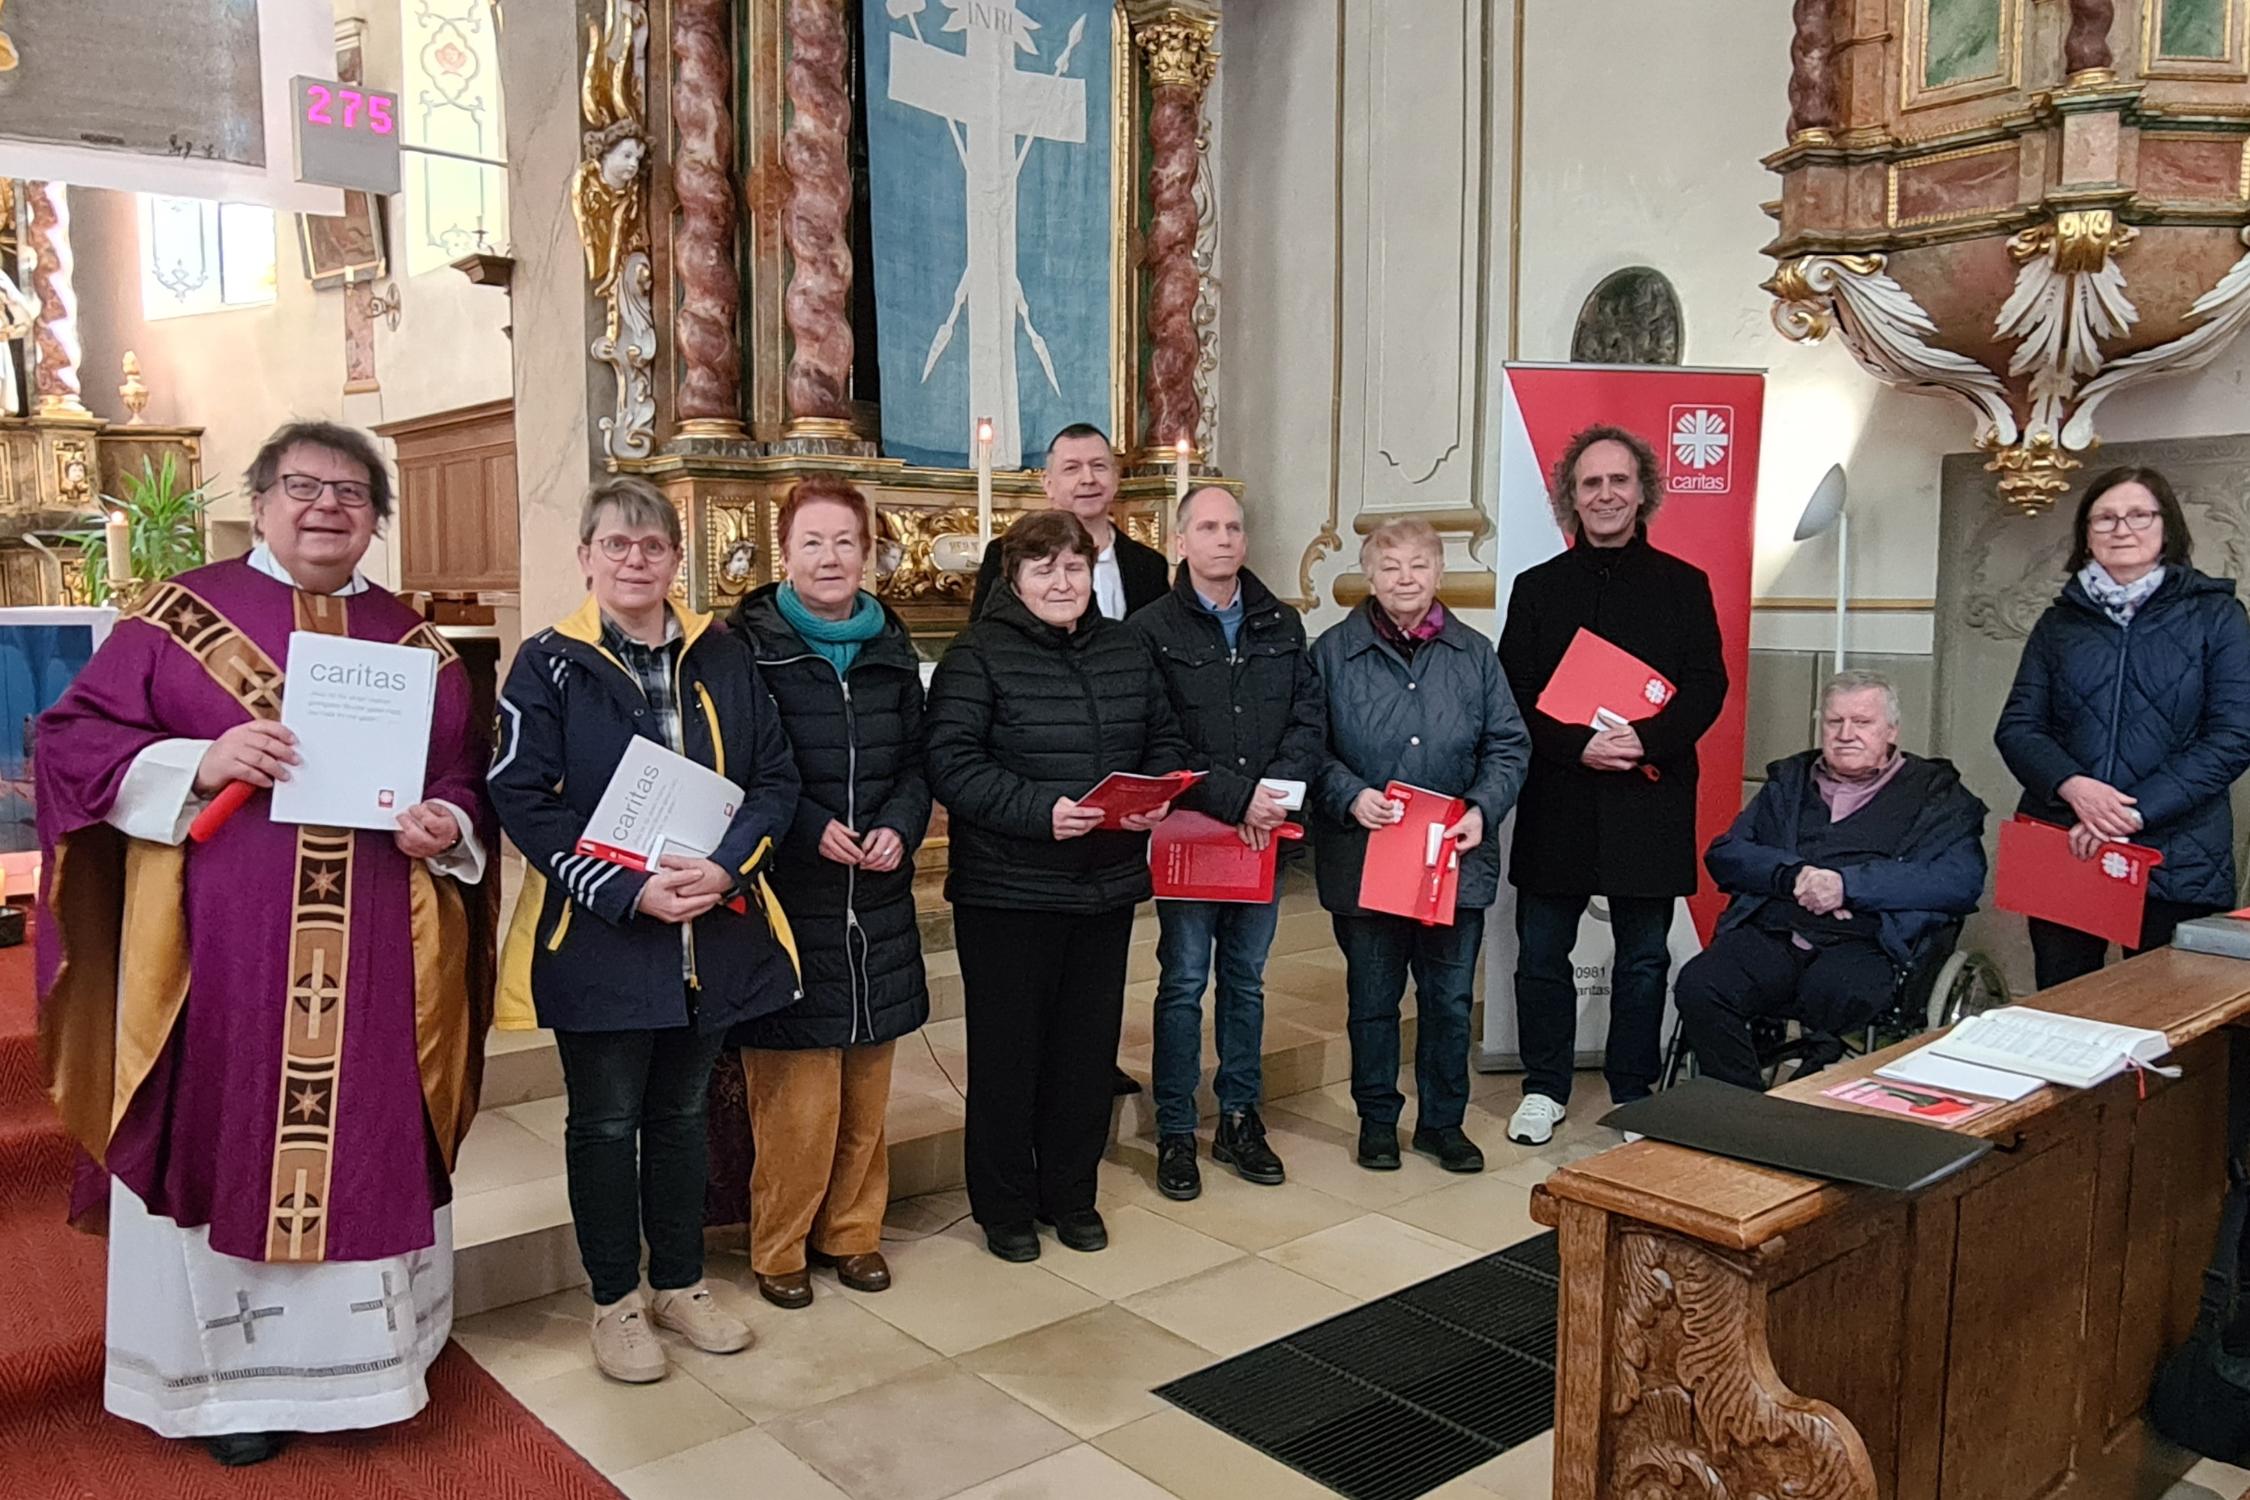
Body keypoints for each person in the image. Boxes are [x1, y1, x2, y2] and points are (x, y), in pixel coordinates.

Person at [34, 421, 494, 1464]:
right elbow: (73, 743)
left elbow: (463, 778)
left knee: (367, 1140)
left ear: (377, 517)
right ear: (262, 499)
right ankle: (230, 1398)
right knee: (223, 1137)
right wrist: (201, 757)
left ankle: (367, 1374)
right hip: (222, 954)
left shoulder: (413, 643)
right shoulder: (175, 617)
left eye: (351, 491)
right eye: (303, 486)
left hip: (376, 953)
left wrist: (449, 825)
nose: (327, 506)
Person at [489, 476, 800, 1384]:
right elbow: (519, 798)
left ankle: (679, 1283)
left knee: (680, 1116)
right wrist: (625, 893)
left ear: (675, 559)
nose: (635, 561)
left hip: (712, 928)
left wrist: (727, 867)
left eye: (652, 546)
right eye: (615, 546)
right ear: (586, 559)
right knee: (605, 1121)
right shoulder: (547, 663)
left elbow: (774, 777)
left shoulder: (723, 652)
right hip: (601, 935)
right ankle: (613, 1301)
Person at [926, 510, 1191, 1262]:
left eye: (1073, 566)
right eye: (1042, 568)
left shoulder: (1124, 647)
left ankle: (1072, 1194)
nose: (1061, 580)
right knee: (1010, 1057)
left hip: (1103, 885)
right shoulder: (977, 653)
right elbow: (952, 761)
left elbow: (1163, 735)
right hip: (1008, 892)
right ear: (1013, 578)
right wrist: (1041, 812)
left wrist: (1158, 795)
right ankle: (1006, 1207)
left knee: (1084, 1054)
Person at [726, 478, 932, 1309]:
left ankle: (853, 1234)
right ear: (784, 553)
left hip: (875, 894)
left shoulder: (890, 644)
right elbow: (736, 766)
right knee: (796, 1096)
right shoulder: (747, 645)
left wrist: (901, 825)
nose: (830, 557)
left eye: (845, 541)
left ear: (869, 552)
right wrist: (808, 825)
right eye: (812, 541)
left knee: (867, 1087)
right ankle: (778, 1246)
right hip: (789, 890)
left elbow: (919, 762)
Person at [1499, 425, 1726, 1147]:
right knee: (1540, 954)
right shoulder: (1537, 590)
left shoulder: (1685, 586)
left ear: (1642, 492)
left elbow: (1707, 686)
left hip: (1648, 795)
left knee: (1645, 958)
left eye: (1618, 481)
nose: (1605, 495)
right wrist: (1579, 747)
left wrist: (1645, 739)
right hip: (1560, 794)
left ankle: (1633, 1090)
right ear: (1571, 496)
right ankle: (1544, 1086)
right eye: (1590, 483)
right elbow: (1515, 692)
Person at [1311, 518, 1529, 1174]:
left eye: (1418, 566)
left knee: (1449, 999)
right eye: (1390, 567)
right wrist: (1348, 792)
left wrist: (1481, 809)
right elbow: (1305, 747)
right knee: (1373, 999)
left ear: (1438, 573)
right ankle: (1378, 1121)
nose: (1405, 579)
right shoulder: (1329, 653)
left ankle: (1443, 1123)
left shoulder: (1475, 654)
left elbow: (1509, 744)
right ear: (1369, 576)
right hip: (1366, 857)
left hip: (1453, 860)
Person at [1129, 486, 1326, 1201]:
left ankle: (1241, 1116)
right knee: (1183, 984)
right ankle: (1177, 1129)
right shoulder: (1150, 628)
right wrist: (1234, 797)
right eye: (1207, 527)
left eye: (1234, 527)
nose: (1222, 539)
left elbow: (1308, 718)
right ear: (1180, 541)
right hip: (1194, 831)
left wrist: (1274, 796)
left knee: (1246, 981)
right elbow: (1157, 735)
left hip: (1260, 836)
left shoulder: (1282, 622)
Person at [971, 422, 1169, 1100]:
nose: (1088, 479)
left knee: (1086, 1027)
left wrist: (1154, 789)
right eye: (1072, 468)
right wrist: (1036, 808)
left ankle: (1074, 1170)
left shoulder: (1141, 582)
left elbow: (1155, 715)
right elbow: (962, 747)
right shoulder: (990, 635)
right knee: (1014, 1042)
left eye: (1099, 465)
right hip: (1019, 864)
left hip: (1107, 859)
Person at [1995, 466, 2250, 988]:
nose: (2122, 528)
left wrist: (2125, 814)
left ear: (2167, 528)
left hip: (2177, 853)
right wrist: (2075, 788)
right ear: (2086, 535)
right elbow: (2018, 727)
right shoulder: (2058, 622)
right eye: (2105, 518)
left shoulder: (2218, 615)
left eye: (2139, 515)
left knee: (2165, 1024)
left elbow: (2234, 737)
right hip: (2068, 841)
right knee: (2065, 1011)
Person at [1675, 671, 1987, 1090]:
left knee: (1840, 990)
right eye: (1834, 722)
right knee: (1701, 985)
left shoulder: (1936, 795)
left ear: (1891, 730)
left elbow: (1959, 881)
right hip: (1777, 929)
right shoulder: (1789, 783)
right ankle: (1742, 1106)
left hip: (1870, 940)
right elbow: (1727, 854)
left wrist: (1848, 886)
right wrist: (1793, 875)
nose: (1846, 734)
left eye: (1862, 723)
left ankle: (1814, 1096)